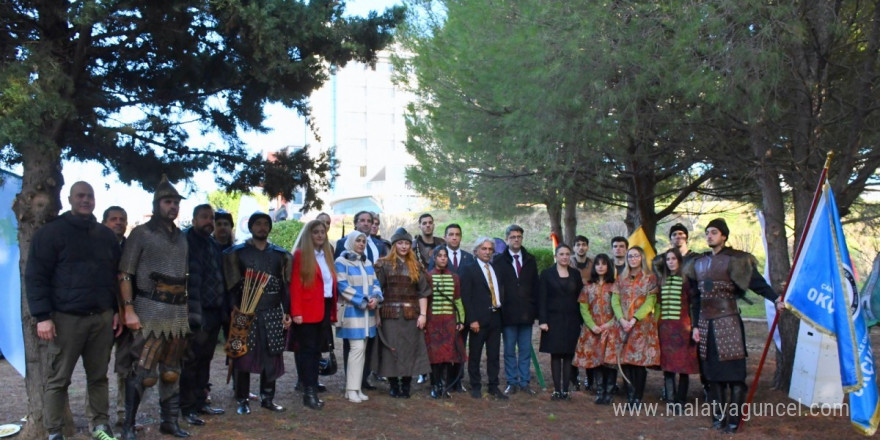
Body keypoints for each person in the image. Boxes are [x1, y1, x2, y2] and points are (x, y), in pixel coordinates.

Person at [26, 181, 122, 440]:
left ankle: (100, 426)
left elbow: (114, 276)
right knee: (59, 379)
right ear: (69, 199)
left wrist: (116, 309)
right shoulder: (51, 233)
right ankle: (54, 431)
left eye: (90, 196)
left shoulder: (105, 236)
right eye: (80, 195)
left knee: (99, 377)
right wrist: (43, 316)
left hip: (101, 318)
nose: (85, 200)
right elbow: (36, 276)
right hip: (66, 318)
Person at [685, 218, 782, 433]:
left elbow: (757, 284)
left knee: (734, 375)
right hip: (705, 323)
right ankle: (718, 417)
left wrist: (775, 298)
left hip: (728, 321)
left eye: (714, 232)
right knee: (712, 375)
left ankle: (734, 419)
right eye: (707, 232)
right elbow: (695, 298)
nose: (709, 236)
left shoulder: (737, 260)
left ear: (724, 236)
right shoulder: (697, 263)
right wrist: (696, 326)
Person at [118, 176, 193, 439]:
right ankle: (128, 425)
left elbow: (184, 277)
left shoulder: (182, 237)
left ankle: (169, 422)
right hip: (149, 308)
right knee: (144, 372)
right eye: (168, 201)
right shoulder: (141, 233)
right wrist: (128, 309)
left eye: (176, 202)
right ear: (156, 203)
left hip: (176, 313)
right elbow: (125, 273)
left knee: (172, 371)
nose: (173, 206)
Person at [224, 212, 292, 415]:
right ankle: (242, 399)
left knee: (271, 357)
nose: (262, 227)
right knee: (242, 357)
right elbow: (232, 287)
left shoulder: (281, 255)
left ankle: (267, 398)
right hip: (245, 311)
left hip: (271, 312)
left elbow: (284, 287)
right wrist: (233, 312)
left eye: (265, 224)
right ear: (251, 227)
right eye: (258, 224)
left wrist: (286, 311)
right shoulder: (237, 253)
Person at [180, 205, 227, 426]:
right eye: (204, 217)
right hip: (192, 311)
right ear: (194, 218)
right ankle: (186, 407)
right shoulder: (184, 241)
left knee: (205, 359)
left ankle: (200, 402)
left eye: (211, 218)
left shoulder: (213, 244)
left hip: (213, 311)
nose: (209, 221)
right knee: (190, 360)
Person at [373, 228, 431, 398]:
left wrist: (423, 315)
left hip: (411, 315)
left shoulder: (417, 266)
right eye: (400, 243)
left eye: (406, 243)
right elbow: (377, 290)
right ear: (394, 245)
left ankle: (405, 385)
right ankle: (393, 385)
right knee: (391, 350)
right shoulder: (383, 265)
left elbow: (423, 292)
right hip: (389, 314)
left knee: (409, 350)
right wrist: (377, 315)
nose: (404, 246)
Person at [290, 219, 337, 410]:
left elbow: (329, 285)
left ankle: (312, 387)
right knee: (308, 352)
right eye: (315, 232)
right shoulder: (301, 255)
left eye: (322, 232)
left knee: (317, 350)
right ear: (309, 235)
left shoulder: (326, 255)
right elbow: (295, 286)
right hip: (307, 311)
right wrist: (297, 312)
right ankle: (309, 392)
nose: (319, 235)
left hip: (324, 308)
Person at [334, 231, 383, 403]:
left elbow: (376, 283)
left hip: (367, 313)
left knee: (362, 350)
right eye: (358, 241)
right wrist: (363, 300)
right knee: (356, 350)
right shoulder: (341, 262)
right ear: (350, 242)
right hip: (352, 312)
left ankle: (356, 388)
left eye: (363, 241)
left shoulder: (367, 262)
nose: (361, 244)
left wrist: (375, 298)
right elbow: (342, 285)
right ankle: (351, 388)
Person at [492, 224, 539, 396]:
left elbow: (536, 286)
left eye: (519, 236)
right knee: (510, 350)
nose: (516, 239)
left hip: (527, 313)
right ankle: (512, 382)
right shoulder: (498, 261)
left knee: (525, 350)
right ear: (506, 239)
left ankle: (525, 382)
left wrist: (536, 310)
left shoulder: (530, 260)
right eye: (512, 237)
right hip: (508, 313)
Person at [611, 246, 659, 410]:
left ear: (641, 258)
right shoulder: (621, 279)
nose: (633, 259)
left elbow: (651, 301)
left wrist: (635, 318)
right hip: (623, 325)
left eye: (636, 256)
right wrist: (621, 319)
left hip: (641, 326)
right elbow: (614, 300)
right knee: (625, 361)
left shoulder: (649, 278)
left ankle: (638, 396)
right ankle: (630, 395)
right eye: (630, 256)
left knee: (639, 362)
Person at [460, 237, 508, 400]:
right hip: (478, 320)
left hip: (496, 317)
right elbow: (466, 296)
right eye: (484, 249)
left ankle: (493, 386)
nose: (487, 252)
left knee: (494, 354)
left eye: (490, 249)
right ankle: (475, 385)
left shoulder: (495, 269)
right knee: (475, 353)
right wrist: (472, 319)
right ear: (476, 251)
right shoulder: (469, 269)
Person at [538, 245, 584, 401]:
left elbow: (580, 299)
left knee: (569, 355)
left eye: (567, 254)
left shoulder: (576, 274)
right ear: (556, 256)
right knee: (556, 355)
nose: (565, 257)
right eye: (561, 254)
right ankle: (557, 390)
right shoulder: (546, 274)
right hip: (553, 320)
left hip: (572, 320)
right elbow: (541, 299)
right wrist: (543, 320)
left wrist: (583, 321)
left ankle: (566, 390)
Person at [657, 248, 699, 414]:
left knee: (683, 366)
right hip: (665, 329)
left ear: (679, 261)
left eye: (674, 259)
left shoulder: (687, 280)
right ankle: (670, 399)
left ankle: (681, 400)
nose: (671, 262)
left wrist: (693, 326)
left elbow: (693, 304)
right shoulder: (662, 280)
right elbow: (658, 304)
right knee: (667, 366)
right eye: (668, 259)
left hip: (682, 328)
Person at [101, 205, 133, 427]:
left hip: (127, 314)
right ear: (105, 222)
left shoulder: (130, 247)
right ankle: (98, 418)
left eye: (122, 219)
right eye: (114, 219)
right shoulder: (95, 244)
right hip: (103, 313)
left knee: (125, 367)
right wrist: (112, 310)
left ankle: (123, 414)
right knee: (98, 370)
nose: (119, 222)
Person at [573, 254, 619, 405]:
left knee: (610, 362)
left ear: (608, 267)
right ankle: (600, 391)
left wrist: (609, 324)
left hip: (611, 330)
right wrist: (592, 325)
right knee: (597, 361)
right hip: (593, 330)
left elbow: (621, 308)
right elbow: (583, 308)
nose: (600, 266)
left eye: (604, 264)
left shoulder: (615, 286)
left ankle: (609, 392)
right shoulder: (587, 286)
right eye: (598, 264)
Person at [425, 246, 466, 398]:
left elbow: (458, 300)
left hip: (449, 321)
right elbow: (426, 300)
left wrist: (461, 319)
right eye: (440, 255)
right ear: (434, 258)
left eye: (445, 256)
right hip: (432, 321)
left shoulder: (455, 277)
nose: (443, 258)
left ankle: (445, 385)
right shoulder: (428, 276)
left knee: (448, 355)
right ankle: (435, 384)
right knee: (434, 356)